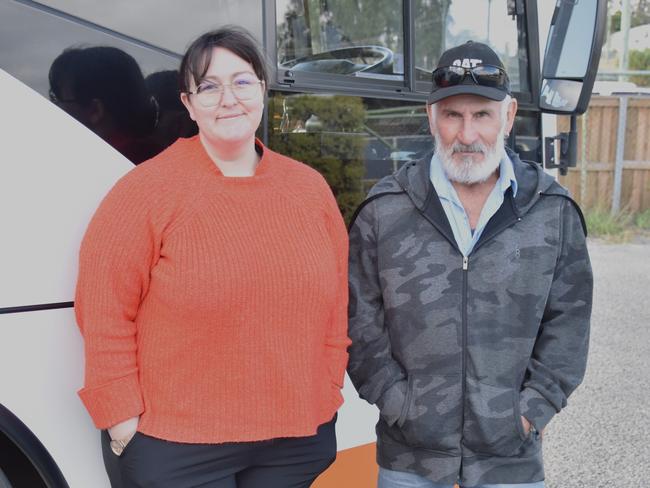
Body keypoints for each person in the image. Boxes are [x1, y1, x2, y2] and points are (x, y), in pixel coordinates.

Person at [75, 27, 350, 488]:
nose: (228, 98)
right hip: (178, 445)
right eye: (208, 86)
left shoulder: (309, 189)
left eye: (242, 81)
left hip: (295, 438)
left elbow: (336, 302)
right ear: (188, 103)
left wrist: (328, 387)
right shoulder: (145, 190)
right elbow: (103, 312)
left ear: (262, 90)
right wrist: (121, 421)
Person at [347, 41, 593, 488]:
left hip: (510, 459)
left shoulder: (552, 211)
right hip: (409, 460)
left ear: (509, 115)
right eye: (452, 116)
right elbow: (360, 321)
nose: (466, 134)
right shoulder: (385, 209)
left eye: (481, 115)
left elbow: (569, 327)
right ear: (431, 116)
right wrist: (396, 401)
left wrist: (527, 413)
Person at [49, 46, 159, 164]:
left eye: (59, 100)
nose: (55, 108)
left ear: (95, 111)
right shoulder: (160, 161)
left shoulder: (93, 168)